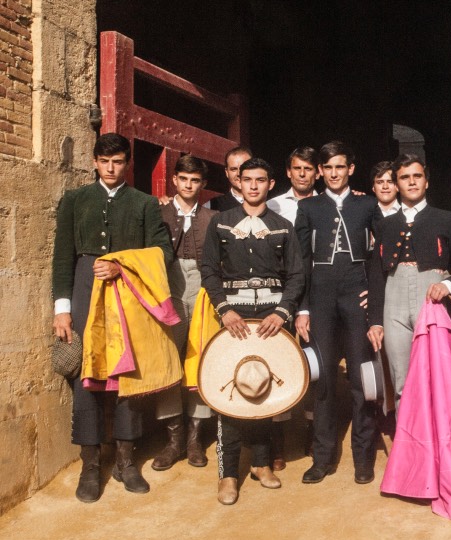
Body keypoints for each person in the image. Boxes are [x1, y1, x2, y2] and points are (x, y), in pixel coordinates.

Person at [52, 133, 175, 502]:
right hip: (85, 292)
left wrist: (123, 266)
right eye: (104, 161)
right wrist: (62, 310)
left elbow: (163, 252)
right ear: (94, 161)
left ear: (127, 163)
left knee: (127, 378)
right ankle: (91, 465)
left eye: (118, 161)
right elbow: (62, 256)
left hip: (128, 296)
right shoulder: (75, 200)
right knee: (86, 377)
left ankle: (125, 461)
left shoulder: (144, 203)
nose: (111, 168)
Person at [200, 157, 307, 505]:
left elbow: (296, 275)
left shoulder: (282, 226)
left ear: (270, 184)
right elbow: (208, 270)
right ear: (238, 182)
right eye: (247, 180)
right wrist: (223, 308)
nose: (254, 186)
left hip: (272, 316)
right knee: (229, 391)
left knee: (263, 387)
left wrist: (283, 311)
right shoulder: (221, 223)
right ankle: (228, 473)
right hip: (234, 315)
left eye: (261, 180)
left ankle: (261, 463)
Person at [294, 141, 380, 485]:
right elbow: (300, 261)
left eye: (340, 167)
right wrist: (302, 308)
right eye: (327, 168)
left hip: (356, 297)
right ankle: (323, 456)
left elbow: (380, 254)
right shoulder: (310, 207)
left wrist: (373, 295)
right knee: (324, 378)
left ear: (351, 169)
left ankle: (363, 457)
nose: (333, 174)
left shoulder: (366, 204)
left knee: (362, 377)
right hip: (320, 298)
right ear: (320, 171)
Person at [367, 154, 451, 400]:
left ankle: (437, 438)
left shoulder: (445, 219)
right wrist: (375, 320)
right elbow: (377, 276)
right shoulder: (386, 225)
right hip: (393, 304)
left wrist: (448, 285)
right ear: (396, 184)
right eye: (405, 177)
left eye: (417, 176)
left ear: (427, 182)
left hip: (431, 301)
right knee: (401, 380)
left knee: (437, 379)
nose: (412, 182)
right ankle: (408, 439)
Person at [152, 155, 218, 471]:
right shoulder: (158, 212)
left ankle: (195, 437)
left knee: (200, 356)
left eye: (195, 181)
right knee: (168, 357)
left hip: (202, 286)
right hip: (169, 284)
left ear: (202, 185)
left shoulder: (213, 218)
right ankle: (174, 438)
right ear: (174, 180)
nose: (189, 185)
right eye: (184, 179)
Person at [266, 146, 320, 470]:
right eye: (297, 168)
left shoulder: (327, 205)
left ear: (317, 173)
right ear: (288, 172)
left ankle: (313, 430)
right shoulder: (272, 205)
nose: (302, 174)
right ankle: (278, 438)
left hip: (314, 289)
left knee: (314, 363)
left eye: (308, 169)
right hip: (280, 291)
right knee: (280, 363)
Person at [207, 146, 252, 211]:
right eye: (233, 169)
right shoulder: (213, 206)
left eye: (243, 168)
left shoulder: (269, 203)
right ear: (227, 172)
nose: (238, 174)